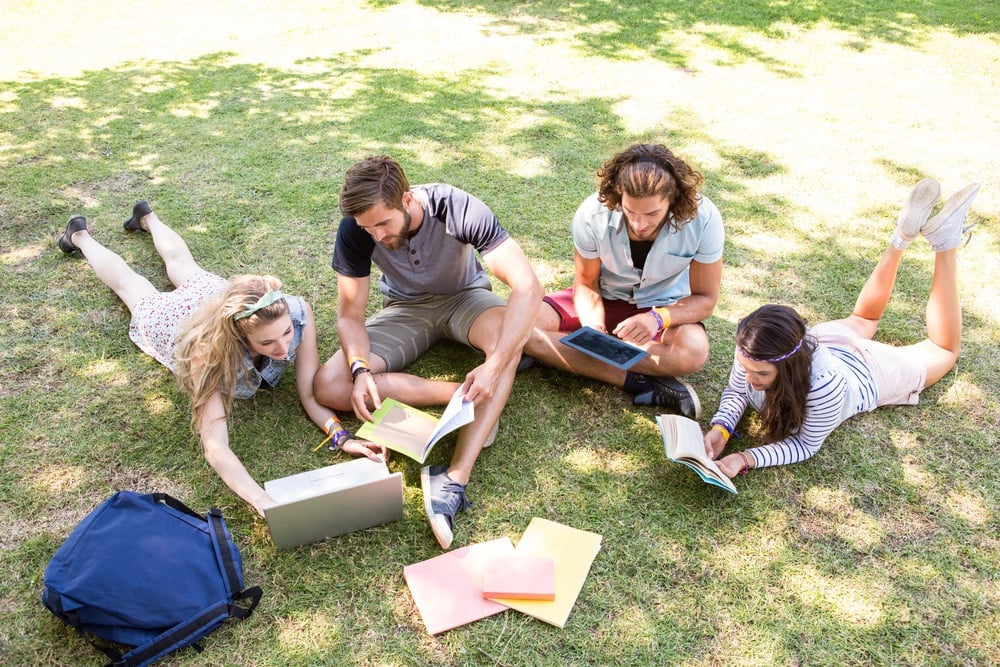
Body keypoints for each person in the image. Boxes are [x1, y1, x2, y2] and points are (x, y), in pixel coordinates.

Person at [57, 201, 386, 516]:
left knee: (184, 266)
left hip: (212, 296)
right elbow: (215, 445)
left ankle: (148, 218)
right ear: (241, 335)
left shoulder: (296, 311)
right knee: (132, 286)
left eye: (286, 334)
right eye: (268, 343)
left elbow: (310, 394)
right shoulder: (209, 355)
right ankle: (80, 236)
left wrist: (342, 437)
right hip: (171, 322)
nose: (285, 349)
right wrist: (260, 498)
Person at [313, 155, 542, 550]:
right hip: (405, 309)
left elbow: (528, 286)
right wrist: (360, 369)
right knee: (330, 385)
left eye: (382, 223)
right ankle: (462, 394)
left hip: (467, 299)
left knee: (508, 345)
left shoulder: (456, 207)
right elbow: (350, 315)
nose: (376, 235)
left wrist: (495, 362)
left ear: (406, 200)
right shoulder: (357, 229)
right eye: (367, 228)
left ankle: (453, 479)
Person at [704, 179, 980, 479]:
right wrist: (722, 429)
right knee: (865, 318)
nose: (750, 378)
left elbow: (805, 444)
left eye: (761, 374)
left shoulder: (824, 387)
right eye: (747, 368)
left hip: (870, 372)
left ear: (790, 367)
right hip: (828, 340)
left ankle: (945, 244)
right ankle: (902, 235)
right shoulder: (753, 345)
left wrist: (745, 458)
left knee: (943, 349)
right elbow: (736, 390)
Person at [521, 143, 724, 419]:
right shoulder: (592, 214)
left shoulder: (704, 219)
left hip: (664, 306)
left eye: (652, 214)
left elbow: (705, 300)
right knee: (520, 323)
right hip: (603, 297)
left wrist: (657, 318)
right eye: (631, 212)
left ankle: (548, 350)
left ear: (672, 200)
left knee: (693, 351)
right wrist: (593, 329)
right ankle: (636, 381)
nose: (640, 224)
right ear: (619, 197)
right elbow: (586, 282)